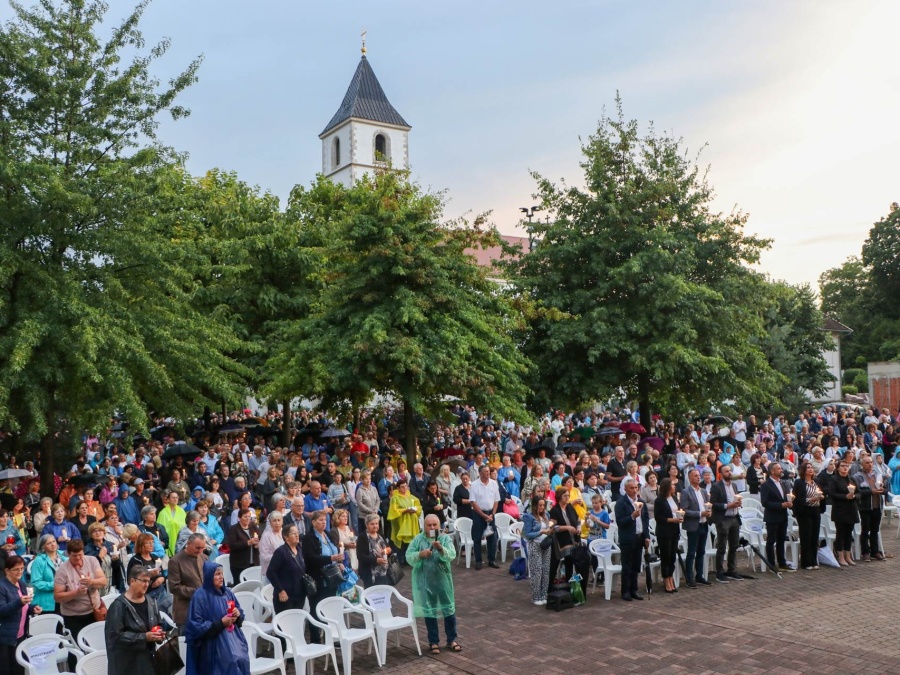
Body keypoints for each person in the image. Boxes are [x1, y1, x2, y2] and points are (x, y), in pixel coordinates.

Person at [406, 514, 461, 654]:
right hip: (425, 582)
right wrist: (420, 554)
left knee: (448, 610)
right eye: (429, 525)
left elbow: (452, 555)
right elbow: (408, 556)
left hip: (443, 582)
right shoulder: (418, 539)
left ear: (439, 525)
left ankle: (451, 640)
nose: (432, 527)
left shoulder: (444, 538)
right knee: (429, 611)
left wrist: (441, 549)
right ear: (424, 526)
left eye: (434, 525)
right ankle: (433, 641)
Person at [183, 561, 250, 675]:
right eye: (217, 574)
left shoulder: (227, 593)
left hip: (234, 640)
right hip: (212, 646)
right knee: (228, 662)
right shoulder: (200, 596)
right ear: (209, 576)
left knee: (241, 660)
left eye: (222, 574)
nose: (221, 577)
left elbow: (240, 613)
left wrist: (237, 614)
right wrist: (220, 623)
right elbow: (195, 625)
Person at [105, 566, 165, 675]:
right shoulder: (118, 606)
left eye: (148, 581)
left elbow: (158, 624)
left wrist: (159, 633)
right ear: (132, 581)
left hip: (148, 663)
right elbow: (114, 637)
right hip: (127, 665)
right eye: (143, 581)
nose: (147, 584)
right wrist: (144, 637)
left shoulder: (151, 602)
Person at [302, 510, 345, 644]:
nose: (323, 522)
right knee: (316, 610)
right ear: (313, 522)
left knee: (330, 609)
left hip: (332, 579)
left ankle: (331, 637)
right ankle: (316, 640)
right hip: (318, 579)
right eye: (320, 520)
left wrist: (338, 562)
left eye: (325, 520)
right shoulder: (309, 538)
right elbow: (310, 558)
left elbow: (334, 550)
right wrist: (330, 558)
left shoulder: (327, 535)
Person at [53, 538, 106, 638]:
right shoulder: (62, 571)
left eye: (80, 555)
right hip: (74, 616)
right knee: (79, 647)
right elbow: (57, 597)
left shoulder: (92, 560)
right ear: (68, 554)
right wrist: (76, 593)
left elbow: (103, 581)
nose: (78, 558)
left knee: (97, 642)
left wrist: (91, 582)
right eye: (74, 556)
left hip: (95, 611)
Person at [0, 555, 41, 675]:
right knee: (6, 670)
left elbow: (25, 606)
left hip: (21, 634)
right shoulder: (2, 587)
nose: (20, 572)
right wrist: (19, 602)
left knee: (19, 668)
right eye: (16, 569)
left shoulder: (21, 584)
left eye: (22, 568)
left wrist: (33, 608)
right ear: (7, 570)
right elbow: (2, 610)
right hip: (5, 637)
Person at [614, 477, 650, 601]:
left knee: (636, 565)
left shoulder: (641, 502)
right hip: (628, 538)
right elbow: (620, 522)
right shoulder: (621, 503)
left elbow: (645, 520)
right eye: (631, 488)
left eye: (636, 488)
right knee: (627, 566)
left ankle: (634, 590)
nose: (634, 490)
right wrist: (632, 517)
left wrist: (647, 536)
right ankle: (625, 591)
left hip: (639, 537)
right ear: (625, 489)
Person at [709, 464, 744, 583]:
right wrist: (728, 506)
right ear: (721, 474)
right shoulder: (716, 486)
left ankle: (732, 570)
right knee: (722, 546)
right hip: (723, 518)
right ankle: (720, 572)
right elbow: (713, 504)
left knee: (734, 546)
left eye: (730, 470)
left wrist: (739, 503)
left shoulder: (733, 485)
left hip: (734, 517)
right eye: (726, 471)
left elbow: (736, 498)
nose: (729, 472)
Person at [759, 463, 796, 572]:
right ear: (772, 471)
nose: (781, 470)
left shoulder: (783, 483)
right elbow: (765, 502)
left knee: (781, 540)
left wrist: (789, 502)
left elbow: (785, 497)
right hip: (772, 517)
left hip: (782, 516)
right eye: (779, 469)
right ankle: (771, 564)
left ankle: (782, 563)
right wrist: (780, 505)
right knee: (771, 541)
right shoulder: (766, 485)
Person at [168, 533, 209, 627]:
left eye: (203, 548)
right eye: (197, 548)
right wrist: (197, 592)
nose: (200, 551)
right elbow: (174, 587)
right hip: (185, 610)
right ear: (188, 544)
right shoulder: (175, 561)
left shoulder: (204, 557)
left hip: (204, 609)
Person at [680, 469, 712, 588]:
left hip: (704, 524)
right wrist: (700, 513)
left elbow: (707, 505)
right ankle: (690, 577)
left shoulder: (703, 491)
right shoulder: (686, 492)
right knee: (692, 552)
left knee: (701, 551)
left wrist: (709, 512)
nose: (698, 478)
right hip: (694, 525)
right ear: (690, 478)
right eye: (695, 476)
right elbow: (684, 510)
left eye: (699, 475)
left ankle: (700, 575)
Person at [126, 533, 173, 615]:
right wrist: (149, 574)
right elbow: (130, 581)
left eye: (152, 542)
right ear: (141, 545)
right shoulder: (135, 560)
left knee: (165, 618)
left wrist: (161, 579)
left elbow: (162, 573)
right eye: (148, 543)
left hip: (160, 592)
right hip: (147, 595)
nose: (151, 545)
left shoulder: (154, 557)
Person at [266, 523, 307, 614]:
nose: (297, 535)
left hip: (299, 594)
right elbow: (270, 573)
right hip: (286, 596)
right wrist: (280, 590)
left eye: (297, 532)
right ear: (286, 537)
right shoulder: (281, 552)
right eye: (293, 533)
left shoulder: (299, 548)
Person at [852, 454, 887, 562]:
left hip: (877, 506)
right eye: (867, 463)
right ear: (862, 464)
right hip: (865, 507)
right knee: (865, 530)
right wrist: (871, 491)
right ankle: (865, 552)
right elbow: (858, 492)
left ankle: (875, 551)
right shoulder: (857, 477)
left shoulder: (878, 474)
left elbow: (885, 489)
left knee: (875, 530)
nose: (870, 464)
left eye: (871, 462)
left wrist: (882, 490)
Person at [792, 461, 825, 570]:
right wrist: (812, 499)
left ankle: (814, 560)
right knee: (806, 536)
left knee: (815, 536)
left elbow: (821, 492)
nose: (811, 469)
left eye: (811, 468)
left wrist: (821, 498)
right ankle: (806, 562)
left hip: (815, 510)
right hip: (805, 512)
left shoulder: (816, 481)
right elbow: (797, 499)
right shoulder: (799, 483)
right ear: (803, 471)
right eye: (808, 468)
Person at [521, 496, 554, 605]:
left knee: (546, 570)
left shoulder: (547, 515)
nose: (541, 507)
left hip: (546, 544)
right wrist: (541, 532)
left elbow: (549, 528)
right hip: (535, 544)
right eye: (539, 505)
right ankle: (536, 596)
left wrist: (550, 530)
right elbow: (527, 534)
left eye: (543, 505)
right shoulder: (528, 517)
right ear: (534, 506)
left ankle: (544, 594)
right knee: (537, 571)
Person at [653, 477, 683, 593]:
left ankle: (670, 576)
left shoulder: (674, 498)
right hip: (664, 531)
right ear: (667, 487)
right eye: (672, 485)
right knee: (665, 556)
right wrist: (672, 520)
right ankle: (666, 578)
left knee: (672, 556)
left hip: (674, 530)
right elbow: (658, 517)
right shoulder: (659, 500)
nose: (674, 487)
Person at [827, 460, 860, 566]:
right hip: (840, 510)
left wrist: (854, 496)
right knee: (840, 533)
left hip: (851, 509)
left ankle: (848, 555)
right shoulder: (834, 479)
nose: (845, 468)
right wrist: (845, 496)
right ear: (838, 468)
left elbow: (859, 493)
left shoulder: (852, 479)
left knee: (849, 534)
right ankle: (840, 556)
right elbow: (832, 493)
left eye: (847, 466)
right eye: (843, 466)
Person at [468, 465, 500, 570]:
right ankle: (478, 561)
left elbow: (496, 500)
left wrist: (492, 514)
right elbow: (473, 502)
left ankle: (492, 559)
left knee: (493, 537)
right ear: (480, 473)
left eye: (488, 471)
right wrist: (483, 515)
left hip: (491, 513)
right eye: (485, 471)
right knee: (477, 537)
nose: (488, 473)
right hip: (478, 514)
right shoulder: (474, 484)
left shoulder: (494, 483)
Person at [30, 534, 67, 613]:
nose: (53, 544)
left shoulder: (65, 557)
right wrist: (56, 585)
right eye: (49, 543)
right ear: (43, 547)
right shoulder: (39, 561)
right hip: (47, 603)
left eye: (54, 541)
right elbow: (36, 582)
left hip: (65, 600)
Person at [387, 479, 421, 561]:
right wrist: (405, 511)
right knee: (402, 541)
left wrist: (415, 509)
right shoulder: (395, 498)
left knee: (410, 542)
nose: (404, 488)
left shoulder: (410, 496)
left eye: (406, 486)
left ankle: (408, 558)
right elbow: (394, 510)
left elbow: (418, 506)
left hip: (411, 523)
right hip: (401, 523)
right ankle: (401, 558)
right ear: (398, 488)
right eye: (402, 487)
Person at [225, 508, 261, 583]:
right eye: (245, 517)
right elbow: (232, 545)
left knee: (253, 584)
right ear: (239, 518)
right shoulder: (234, 529)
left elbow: (259, 537)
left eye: (249, 516)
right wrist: (248, 543)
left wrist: (258, 544)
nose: (247, 519)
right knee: (240, 585)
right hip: (239, 564)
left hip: (253, 562)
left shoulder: (253, 526)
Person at [357, 514, 392, 588]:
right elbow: (361, 556)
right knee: (372, 596)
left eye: (376, 523)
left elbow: (387, 547)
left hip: (383, 571)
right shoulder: (362, 537)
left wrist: (388, 550)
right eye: (372, 524)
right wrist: (376, 560)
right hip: (370, 573)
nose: (375, 526)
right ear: (367, 525)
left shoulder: (380, 534)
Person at [158, 490, 187, 557]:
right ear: (168, 500)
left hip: (180, 539)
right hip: (169, 540)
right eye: (173, 497)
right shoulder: (163, 513)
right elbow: (160, 529)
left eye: (176, 498)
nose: (175, 499)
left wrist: (175, 524)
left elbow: (185, 525)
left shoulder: (182, 511)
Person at [259, 511, 283, 580]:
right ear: (270, 522)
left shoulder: (284, 532)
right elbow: (264, 557)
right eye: (274, 521)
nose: (277, 523)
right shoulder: (266, 536)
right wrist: (280, 556)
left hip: (284, 570)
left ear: (282, 521)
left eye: (279, 520)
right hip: (270, 571)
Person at [355, 471, 380, 535]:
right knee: (364, 535)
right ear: (362, 480)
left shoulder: (374, 489)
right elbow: (360, 504)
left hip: (374, 516)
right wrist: (370, 511)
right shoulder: (360, 491)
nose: (368, 480)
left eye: (369, 479)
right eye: (366, 479)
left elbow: (378, 500)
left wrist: (375, 510)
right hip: (364, 517)